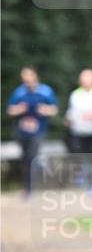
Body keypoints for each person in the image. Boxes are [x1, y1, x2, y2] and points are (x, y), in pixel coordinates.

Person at [5, 66, 58, 196]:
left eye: (28, 75)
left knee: (32, 156)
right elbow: (10, 110)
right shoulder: (19, 92)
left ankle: (32, 187)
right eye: (23, 76)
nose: (25, 78)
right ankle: (27, 187)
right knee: (25, 159)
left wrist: (45, 110)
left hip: (38, 131)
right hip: (22, 132)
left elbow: (54, 110)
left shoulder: (45, 91)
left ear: (35, 76)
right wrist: (19, 109)